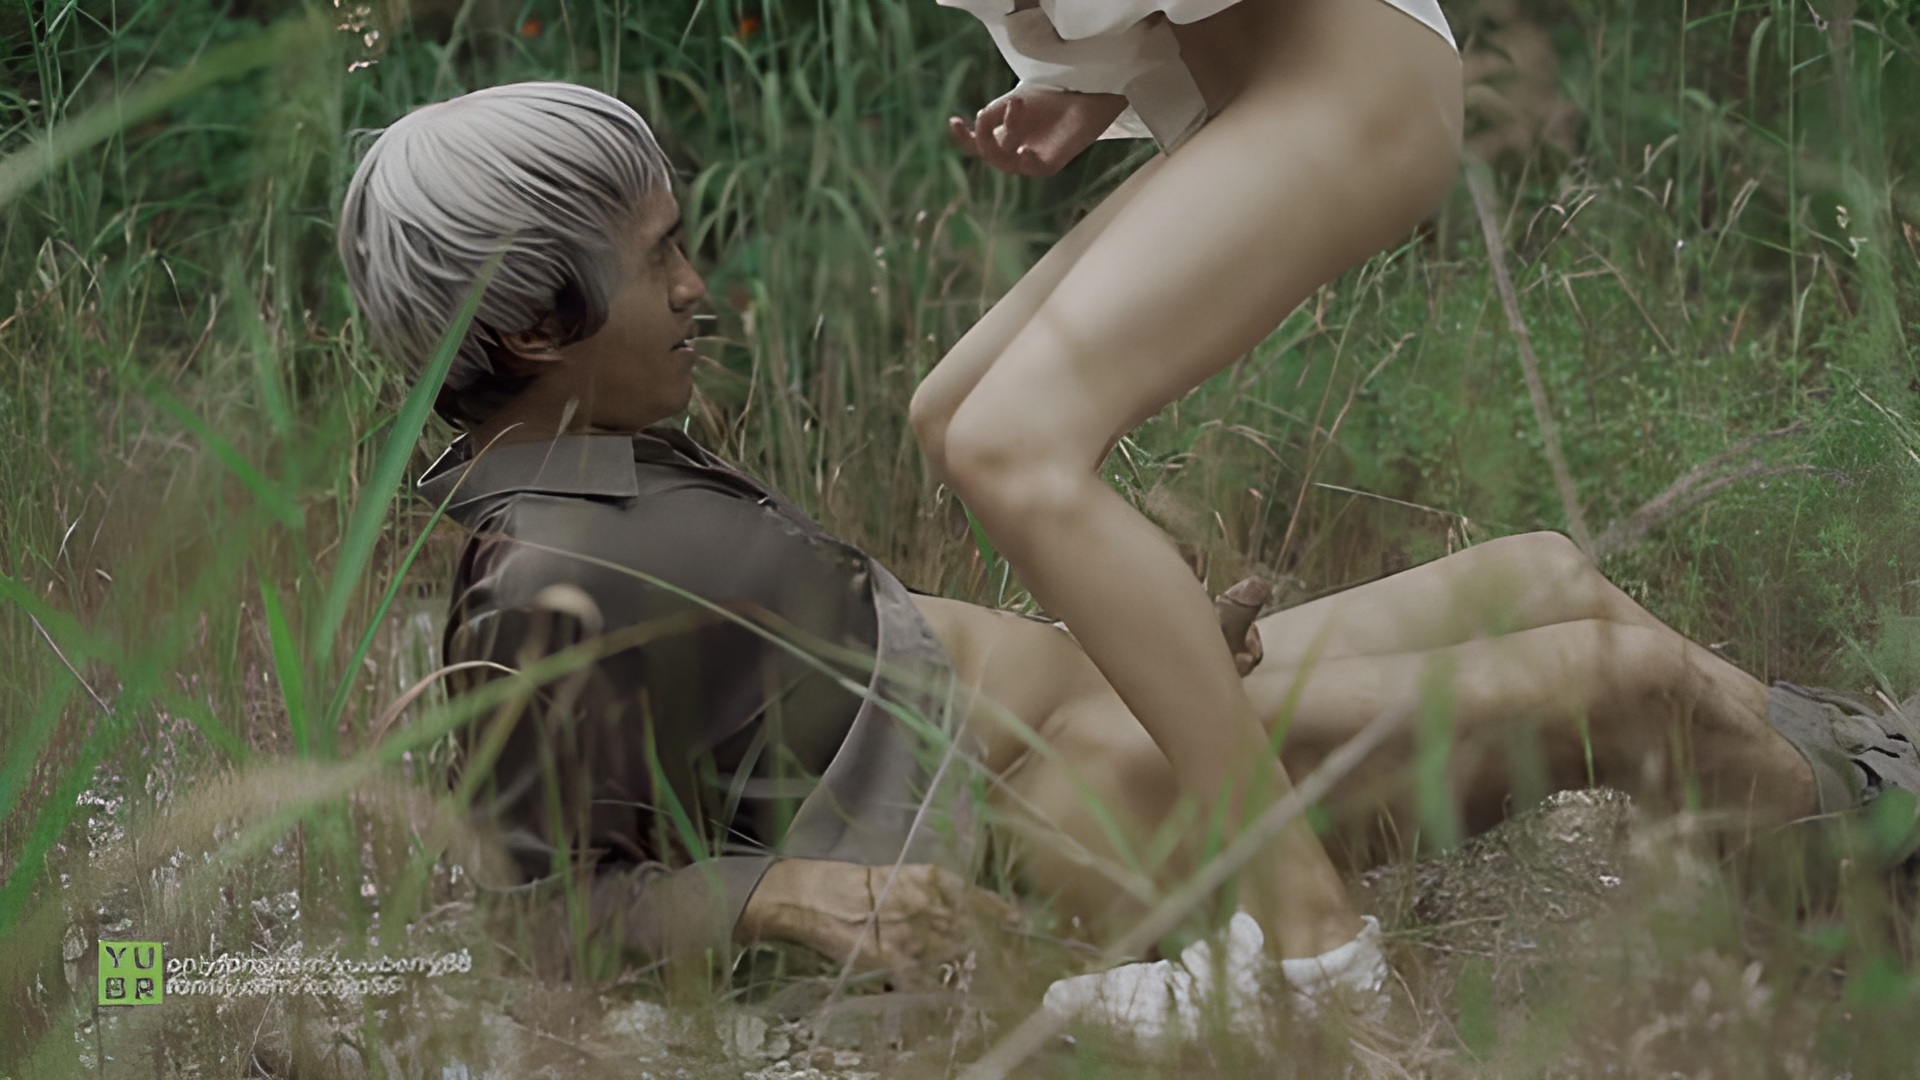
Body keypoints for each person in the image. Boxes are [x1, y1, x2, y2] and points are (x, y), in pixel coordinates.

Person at [338, 81, 1918, 1025]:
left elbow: (845, 681)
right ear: (534, 324)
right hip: (1067, 813)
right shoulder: (541, 573)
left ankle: (1837, 843)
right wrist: (783, 893)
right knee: (1618, 682)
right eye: (658, 260)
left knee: (1537, 572)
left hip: (1091, 714)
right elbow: (538, 913)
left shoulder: (605, 458)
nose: (697, 286)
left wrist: (1150, 645)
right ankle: (1883, 889)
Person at [910, 0, 1472, 992]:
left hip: (1350, 79)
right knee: (952, 412)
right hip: (1257, 94)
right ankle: (1158, 690)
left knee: (1012, 443)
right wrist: (1097, 79)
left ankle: (1310, 940)